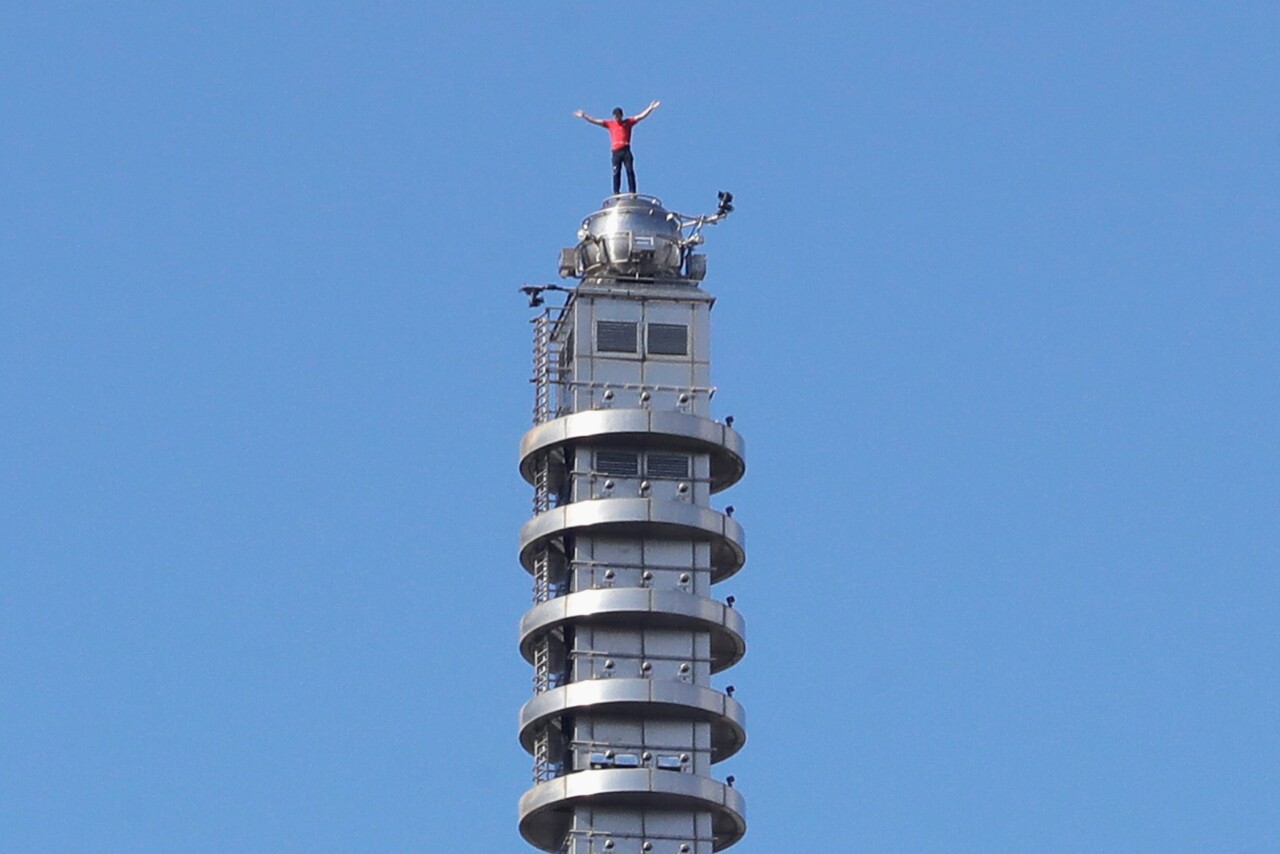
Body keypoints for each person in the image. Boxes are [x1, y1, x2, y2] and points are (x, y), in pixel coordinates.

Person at [574, 101, 661, 194]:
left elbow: (640, 116)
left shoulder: (628, 123)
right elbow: (596, 121)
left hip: (626, 150)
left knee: (629, 170)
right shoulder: (610, 124)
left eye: (618, 116)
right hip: (616, 152)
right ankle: (616, 193)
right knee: (616, 172)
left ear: (621, 115)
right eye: (615, 116)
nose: (616, 117)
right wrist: (585, 116)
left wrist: (650, 108)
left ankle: (632, 192)